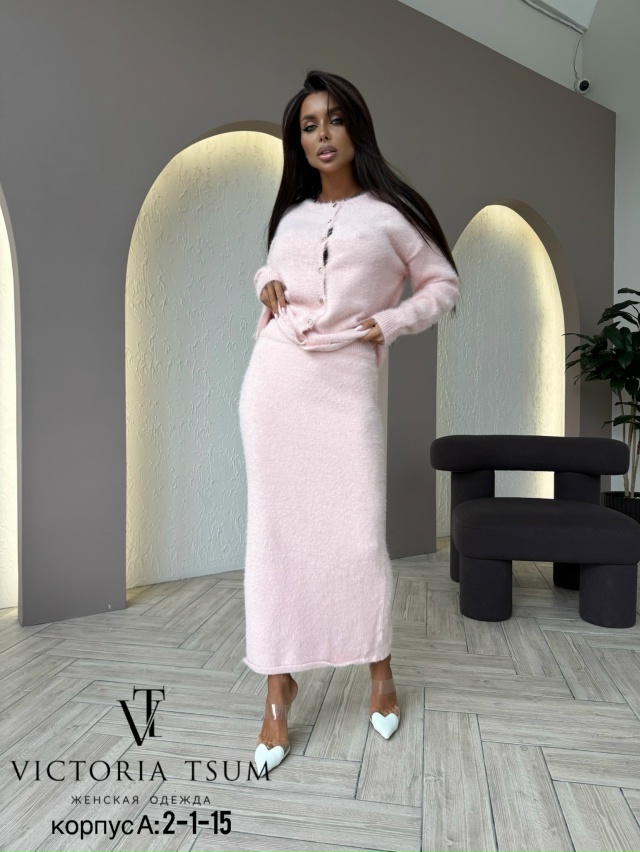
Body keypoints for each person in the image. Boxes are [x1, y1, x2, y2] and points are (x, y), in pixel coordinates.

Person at [238, 70, 462, 775]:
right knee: (275, 535)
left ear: (355, 127)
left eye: (333, 120)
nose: (322, 135)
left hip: (345, 385)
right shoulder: (292, 217)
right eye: (309, 125)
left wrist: (391, 322)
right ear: (299, 141)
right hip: (277, 379)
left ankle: (379, 668)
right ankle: (277, 685)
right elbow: (272, 273)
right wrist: (264, 282)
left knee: (358, 535)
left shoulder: (390, 217)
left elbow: (443, 284)